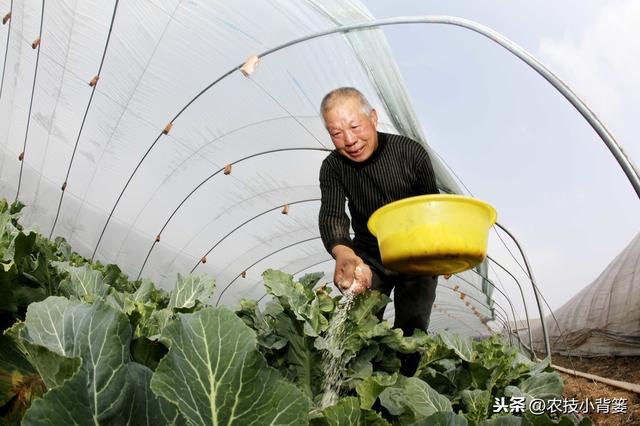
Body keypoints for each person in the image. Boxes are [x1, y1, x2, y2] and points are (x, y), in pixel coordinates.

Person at [318, 87, 441, 338]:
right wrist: (344, 252)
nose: (349, 140)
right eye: (337, 133)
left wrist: (440, 247)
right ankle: (360, 377)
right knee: (359, 329)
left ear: (373, 117)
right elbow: (333, 214)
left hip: (416, 253)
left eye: (355, 127)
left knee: (412, 332)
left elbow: (431, 207)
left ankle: (403, 375)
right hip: (370, 255)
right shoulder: (333, 167)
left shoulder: (410, 153)